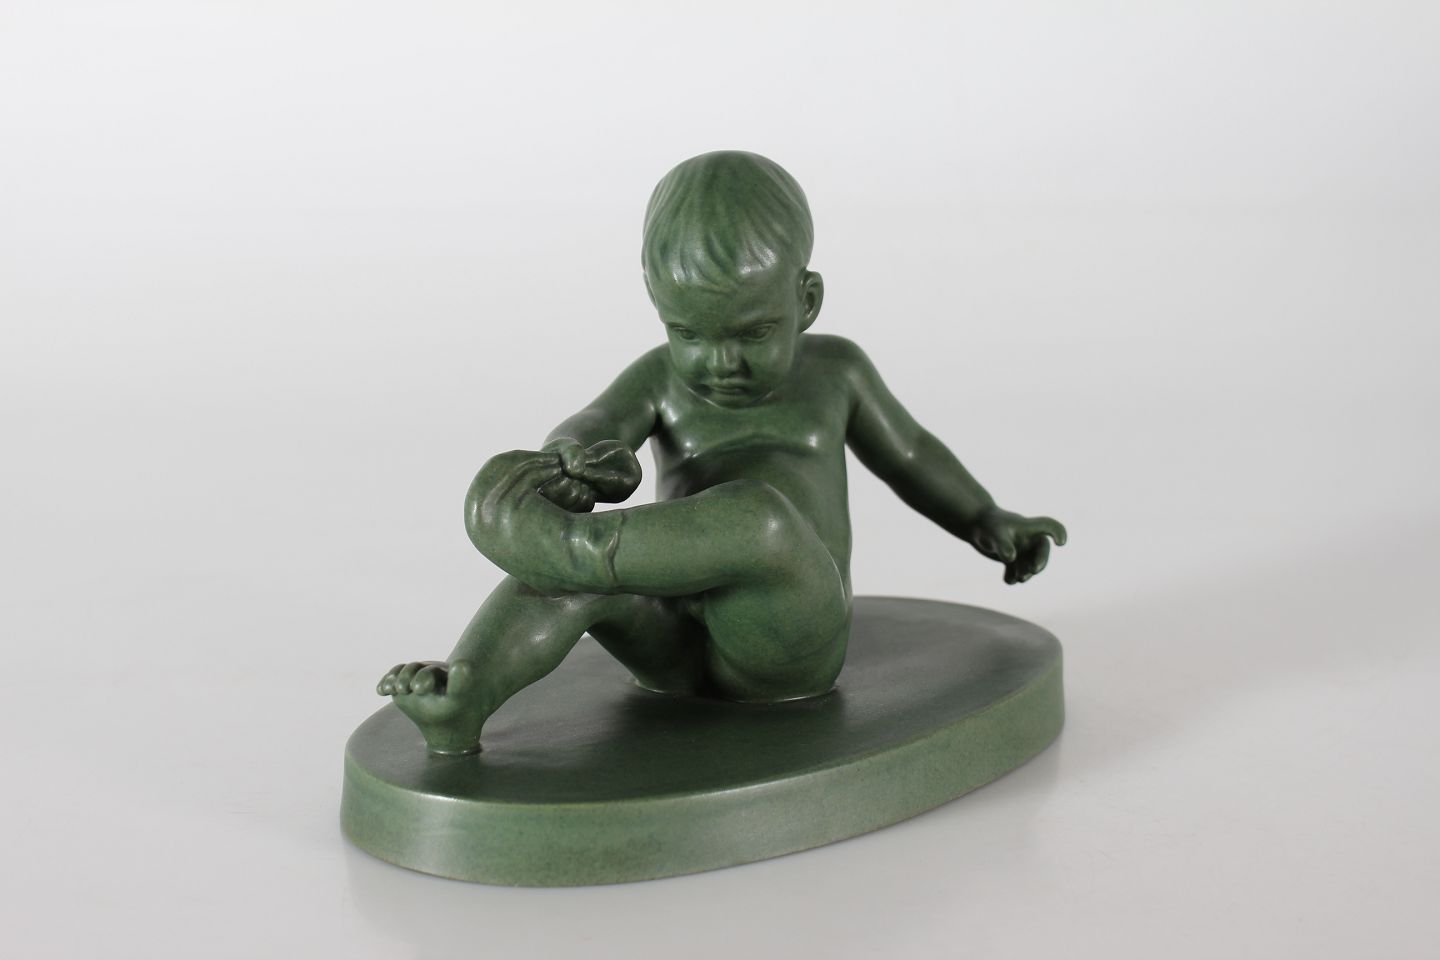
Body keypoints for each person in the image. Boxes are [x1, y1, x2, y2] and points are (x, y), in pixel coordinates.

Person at [377, 150, 1066, 755]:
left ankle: (572, 550)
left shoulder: (838, 374)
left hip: (782, 642)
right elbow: (598, 418)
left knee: (758, 517)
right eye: (689, 334)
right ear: (657, 307)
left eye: (753, 332)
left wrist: (984, 518)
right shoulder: (660, 379)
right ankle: (463, 697)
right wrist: (570, 458)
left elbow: (910, 454)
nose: (719, 362)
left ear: (806, 300)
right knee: (564, 581)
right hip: (669, 639)